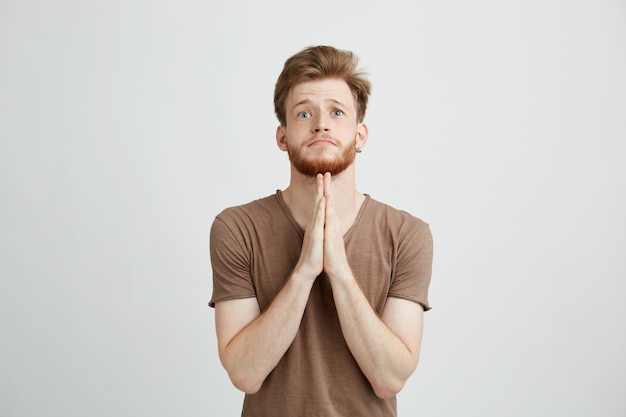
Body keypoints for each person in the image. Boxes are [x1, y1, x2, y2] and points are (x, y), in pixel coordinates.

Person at [209, 45, 433, 416]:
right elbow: (245, 373)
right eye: (303, 113)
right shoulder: (236, 229)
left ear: (360, 135)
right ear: (282, 137)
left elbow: (390, 378)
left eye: (337, 111)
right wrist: (304, 271)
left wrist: (340, 272)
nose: (321, 124)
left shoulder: (407, 234)